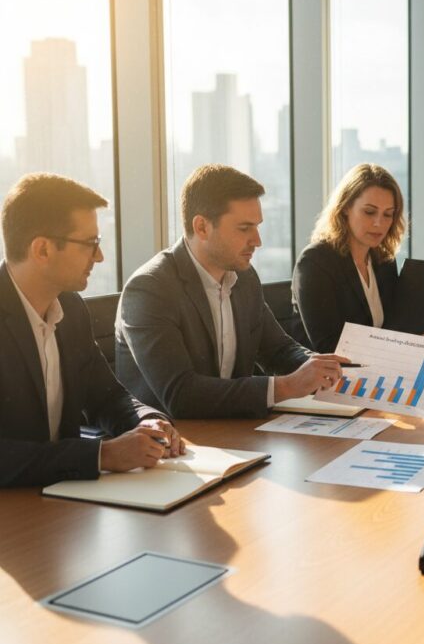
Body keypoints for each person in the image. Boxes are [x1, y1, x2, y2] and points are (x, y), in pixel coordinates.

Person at [116, 164, 348, 419]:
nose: (257, 240)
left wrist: (323, 367)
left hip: (232, 427)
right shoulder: (150, 289)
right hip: (175, 435)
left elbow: (278, 350)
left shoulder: (244, 277)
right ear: (202, 227)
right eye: (244, 228)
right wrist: (287, 386)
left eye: (257, 227)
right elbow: (181, 395)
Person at [0, 173, 182, 487]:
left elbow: (107, 397)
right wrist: (102, 455)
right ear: (42, 250)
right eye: (90, 244)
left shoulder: (71, 308)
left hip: (66, 500)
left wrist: (147, 421)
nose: (99, 256)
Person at [292, 163, 424, 353]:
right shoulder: (315, 262)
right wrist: (416, 345)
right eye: (369, 212)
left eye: (388, 214)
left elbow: (397, 329)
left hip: (383, 367)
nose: (379, 223)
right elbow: (329, 347)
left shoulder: (383, 260)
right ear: (345, 208)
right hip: (334, 370)